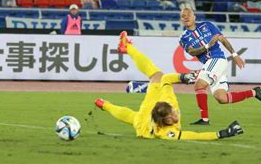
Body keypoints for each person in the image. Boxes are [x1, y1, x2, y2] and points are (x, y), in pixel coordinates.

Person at [95, 32, 244, 141]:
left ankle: (127, 49)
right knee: (131, 116)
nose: (175, 114)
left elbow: (166, 79)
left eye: (172, 112)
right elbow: (192, 135)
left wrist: (183, 77)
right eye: (172, 115)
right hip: (145, 124)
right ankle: (104, 103)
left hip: (145, 120)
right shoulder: (167, 133)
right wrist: (221, 134)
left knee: (155, 79)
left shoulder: (168, 102)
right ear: (166, 122)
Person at [177, 8, 261, 125]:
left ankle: (204, 119)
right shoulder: (183, 38)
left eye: (189, 14)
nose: (186, 17)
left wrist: (235, 55)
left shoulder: (207, 25)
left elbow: (222, 39)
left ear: (194, 16)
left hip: (217, 59)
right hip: (210, 64)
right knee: (222, 98)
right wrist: (207, 45)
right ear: (181, 20)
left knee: (199, 85)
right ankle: (254, 92)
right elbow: (191, 52)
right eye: (183, 16)